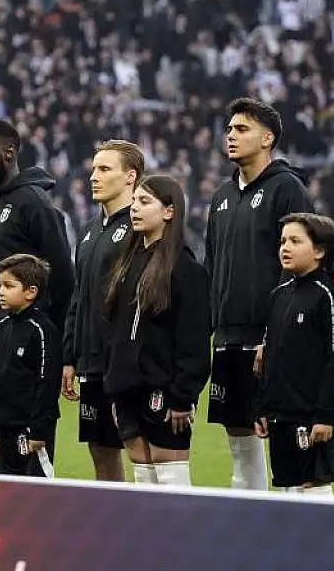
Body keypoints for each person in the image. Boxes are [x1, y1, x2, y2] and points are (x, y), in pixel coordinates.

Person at [205, 97, 314, 492]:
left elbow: (303, 267)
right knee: (239, 440)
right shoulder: (221, 196)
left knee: (284, 440)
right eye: (230, 129)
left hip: (272, 339)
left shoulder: (288, 189)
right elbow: (212, 265)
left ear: (267, 139)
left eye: (242, 129)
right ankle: (249, 519)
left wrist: (278, 334)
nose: (231, 136)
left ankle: (294, 521)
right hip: (228, 338)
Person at [0, 119, 74, 427]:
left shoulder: (34, 203)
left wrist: (55, 339)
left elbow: (63, 276)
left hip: (24, 337)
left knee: (27, 435)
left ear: (9, 153)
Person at [103, 175, 210, 487]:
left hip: (163, 392)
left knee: (170, 479)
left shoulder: (184, 268)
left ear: (169, 211)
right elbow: (115, 330)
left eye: (145, 201)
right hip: (127, 390)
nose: (134, 208)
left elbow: (193, 339)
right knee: (143, 480)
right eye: (134, 201)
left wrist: (183, 396)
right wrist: (115, 384)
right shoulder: (127, 264)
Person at [253, 213, 334, 496]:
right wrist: (262, 407)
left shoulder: (328, 296)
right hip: (279, 415)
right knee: (287, 488)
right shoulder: (278, 296)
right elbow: (268, 359)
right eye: (283, 241)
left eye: (295, 241)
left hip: (310, 417)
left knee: (313, 488)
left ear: (319, 251)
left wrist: (326, 415)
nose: (285, 247)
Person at [63, 140, 142, 482]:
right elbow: (78, 296)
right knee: (100, 448)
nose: (94, 176)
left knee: (142, 450)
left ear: (130, 176)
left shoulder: (141, 226)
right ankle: (116, 515)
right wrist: (70, 356)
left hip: (126, 361)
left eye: (104, 169)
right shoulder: (89, 232)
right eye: (94, 169)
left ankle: (148, 516)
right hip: (91, 360)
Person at [0, 254, 61, 477]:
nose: (0, 292)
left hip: (30, 432)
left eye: (8, 286)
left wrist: (38, 430)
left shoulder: (42, 330)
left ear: (31, 292)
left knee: (36, 493)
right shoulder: (1, 328)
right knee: (4, 492)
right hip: (2, 430)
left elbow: (47, 384)